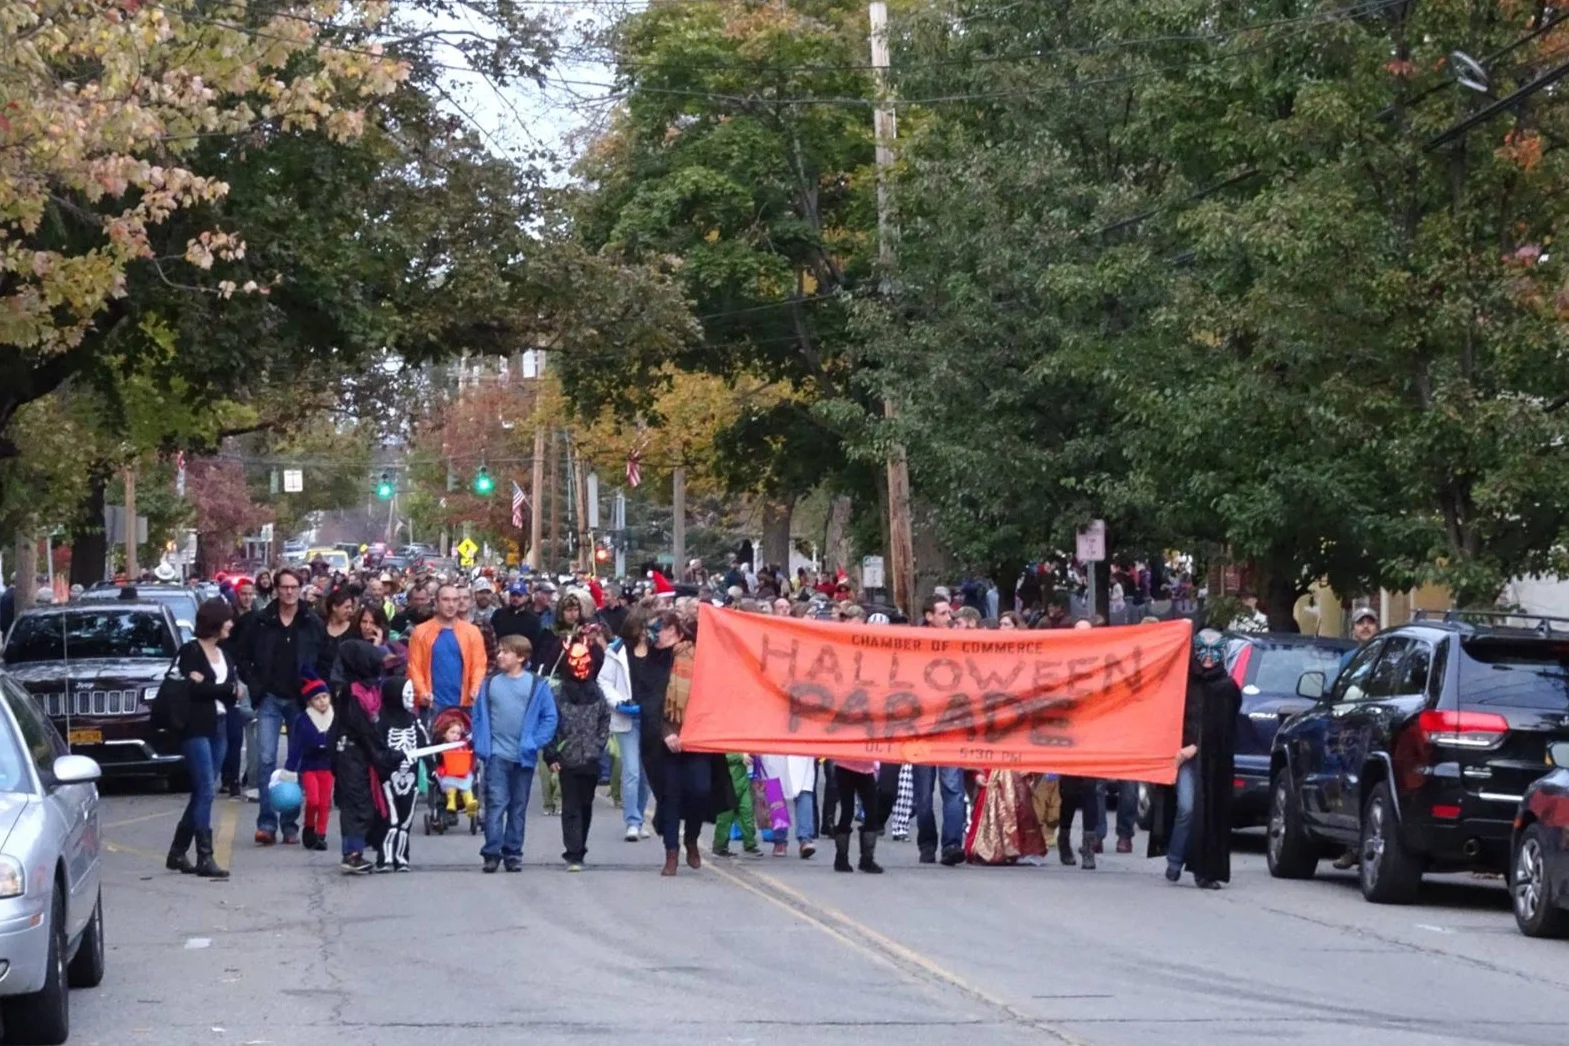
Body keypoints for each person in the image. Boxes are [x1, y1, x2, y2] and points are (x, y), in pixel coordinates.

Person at [1149, 628, 1242, 888]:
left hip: (1211, 763)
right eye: (1203, 651)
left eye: (1215, 652)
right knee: (1186, 807)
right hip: (1181, 756)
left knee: (1209, 812)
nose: (1208, 657)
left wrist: (1194, 748)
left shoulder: (1226, 687)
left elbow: (1223, 730)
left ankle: (1205, 872)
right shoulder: (1183, 681)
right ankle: (1175, 859)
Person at [239, 568, 324, 846]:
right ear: (276, 589)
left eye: (294, 587)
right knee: (265, 760)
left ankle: (290, 824)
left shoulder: (310, 621)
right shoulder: (261, 621)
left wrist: (315, 689)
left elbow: (323, 656)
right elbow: (243, 656)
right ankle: (266, 823)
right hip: (270, 698)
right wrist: (255, 687)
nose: (289, 592)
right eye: (284, 587)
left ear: (300, 588)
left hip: (299, 699)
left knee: (295, 763)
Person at [165, 598, 239, 879]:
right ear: (215, 622)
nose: (231, 624)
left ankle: (177, 851)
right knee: (207, 788)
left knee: (202, 791)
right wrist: (221, 689)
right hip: (195, 727)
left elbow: (232, 690)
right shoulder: (191, 651)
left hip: (220, 725)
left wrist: (214, 687)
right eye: (227, 619)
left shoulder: (224, 653)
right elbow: (192, 690)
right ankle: (204, 856)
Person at [472, 635, 558, 873]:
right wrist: (481, 743)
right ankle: (491, 852)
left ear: (521, 657)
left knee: (518, 806)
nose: (499, 655)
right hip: (497, 754)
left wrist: (535, 742)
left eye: (505, 652)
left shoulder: (536, 685)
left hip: (523, 756)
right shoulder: (490, 684)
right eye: (499, 651)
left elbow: (549, 717)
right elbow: (478, 716)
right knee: (496, 804)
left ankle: (513, 852)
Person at [330, 641, 403, 875]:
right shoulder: (352, 694)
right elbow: (364, 730)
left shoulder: (366, 688)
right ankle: (352, 854)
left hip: (361, 753)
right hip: (351, 754)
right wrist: (385, 756)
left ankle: (360, 848)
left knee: (365, 801)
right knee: (357, 803)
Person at [545, 642, 611, 871]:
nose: (580, 666)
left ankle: (580, 846)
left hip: (591, 758)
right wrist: (552, 752)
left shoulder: (596, 691)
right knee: (571, 805)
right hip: (567, 758)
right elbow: (550, 723)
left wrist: (598, 743)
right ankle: (573, 852)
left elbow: (604, 718)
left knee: (585, 804)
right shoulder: (557, 694)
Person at [912, 595, 967, 866]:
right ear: (929, 616)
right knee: (923, 794)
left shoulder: (960, 645)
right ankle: (927, 843)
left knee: (953, 788)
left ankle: (952, 844)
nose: (949, 618)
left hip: (951, 728)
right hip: (922, 730)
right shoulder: (916, 646)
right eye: (943, 613)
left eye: (950, 613)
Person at [600, 609, 651, 841]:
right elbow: (604, 681)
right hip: (627, 718)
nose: (644, 634)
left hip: (650, 718)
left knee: (645, 773)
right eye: (641, 629)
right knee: (631, 771)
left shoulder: (657, 651)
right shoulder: (616, 651)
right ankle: (632, 820)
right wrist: (618, 703)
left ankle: (639, 816)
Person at [407, 583, 487, 713]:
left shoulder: (472, 632)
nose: (451, 605)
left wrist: (475, 688)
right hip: (431, 704)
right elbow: (414, 667)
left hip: (465, 703)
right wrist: (422, 693)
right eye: (446, 599)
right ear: (436, 602)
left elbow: (479, 665)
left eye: (455, 600)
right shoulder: (420, 632)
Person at [281, 674, 338, 851]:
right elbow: (296, 746)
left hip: (328, 767)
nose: (322, 701)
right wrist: (290, 769)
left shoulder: (335, 718)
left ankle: (321, 834)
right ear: (310, 702)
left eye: (325, 697)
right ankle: (309, 826)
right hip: (309, 766)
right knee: (313, 800)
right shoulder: (303, 720)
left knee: (324, 803)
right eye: (317, 698)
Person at [378, 684, 431, 872]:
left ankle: (402, 858)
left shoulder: (413, 721)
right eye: (407, 693)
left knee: (405, 822)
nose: (411, 697)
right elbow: (377, 749)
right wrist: (391, 757)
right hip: (388, 780)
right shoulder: (383, 722)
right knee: (391, 821)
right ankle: (385, 858)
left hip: (412, 780)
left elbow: (426, 745)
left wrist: (433, 770)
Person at [832, 755, 884, 874]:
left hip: (866, 768)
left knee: (872, 812)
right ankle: (841, 858)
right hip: (844, 765)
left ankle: (867, 859)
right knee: (847, 811)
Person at [712, 753, 763, 859]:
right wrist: (740, 756)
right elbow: (719, 756)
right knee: (725, 817)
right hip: (726, 783)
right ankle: (720, 847)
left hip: (743, 782)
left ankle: (750, 844)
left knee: (747, 813)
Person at [433, 712, 478, 817]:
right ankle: (451, 801)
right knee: (450, 783)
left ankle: (469, 803)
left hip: (462, 771)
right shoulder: (442, 745)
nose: (455, 736)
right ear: (444, 733)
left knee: (466, 785)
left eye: (458, 733)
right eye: (452, 732)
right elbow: (438, 759)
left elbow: (470, 746)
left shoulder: (463, 744)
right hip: (448, 771)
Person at [317, 585, 357, 681]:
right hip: (320, 683)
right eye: (346, 607)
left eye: (351, 607)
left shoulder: (354, 630)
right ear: (334, 607)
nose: (350, 611)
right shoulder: (320, 627)